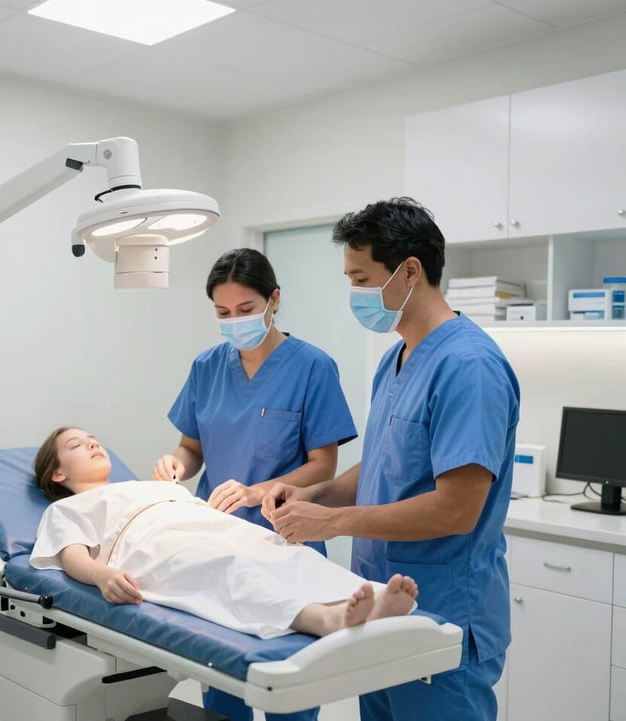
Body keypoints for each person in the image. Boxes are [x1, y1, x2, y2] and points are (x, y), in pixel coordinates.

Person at [263, 197, 520, 721]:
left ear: (409, 271)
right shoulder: (396, 360)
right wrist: (315, 494)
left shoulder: (468, 367)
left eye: (361, 278)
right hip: (380, 610)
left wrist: (331, 522)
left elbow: (456, 510)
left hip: (443, 617)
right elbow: (383, 469)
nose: (355, 294)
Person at [152, 248, 357, 720]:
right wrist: (175, 465)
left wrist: (256, 491)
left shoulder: (312, 367)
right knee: (223, 692)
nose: (234, 322)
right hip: (217, 546)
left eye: (245, 310)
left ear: (274, 300)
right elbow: (192, 447)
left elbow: (323, 465)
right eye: (223, 313)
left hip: (285, 541)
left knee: (291, 690)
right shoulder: (207, 367)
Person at [29, 426, 418, 641]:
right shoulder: (66, 508)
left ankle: (367, 598)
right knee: (229, 567)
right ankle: (324, 620)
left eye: (93, 437)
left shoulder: (148, 485)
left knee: (278, 548)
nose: (93, 442)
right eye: (77, 445)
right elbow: (72, 554)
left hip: (203, 521)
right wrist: (103, 576)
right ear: (57, 474)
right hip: (152, 545)